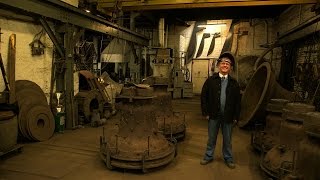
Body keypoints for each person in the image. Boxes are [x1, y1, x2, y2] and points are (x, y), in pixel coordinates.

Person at [200, 52, 241, 169]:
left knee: (227, 140)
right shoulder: (211, 80)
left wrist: (236, 117)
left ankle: (228, 158)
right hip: (213, 115)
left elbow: (238, 102)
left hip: (228, 116)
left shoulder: (234, 83)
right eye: (223, 63)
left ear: (231, 67)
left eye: (228, 63)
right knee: (211, 138)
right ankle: (208, 156)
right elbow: (204, 97)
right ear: (219, 65)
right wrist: (205, 113)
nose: (225, 65)